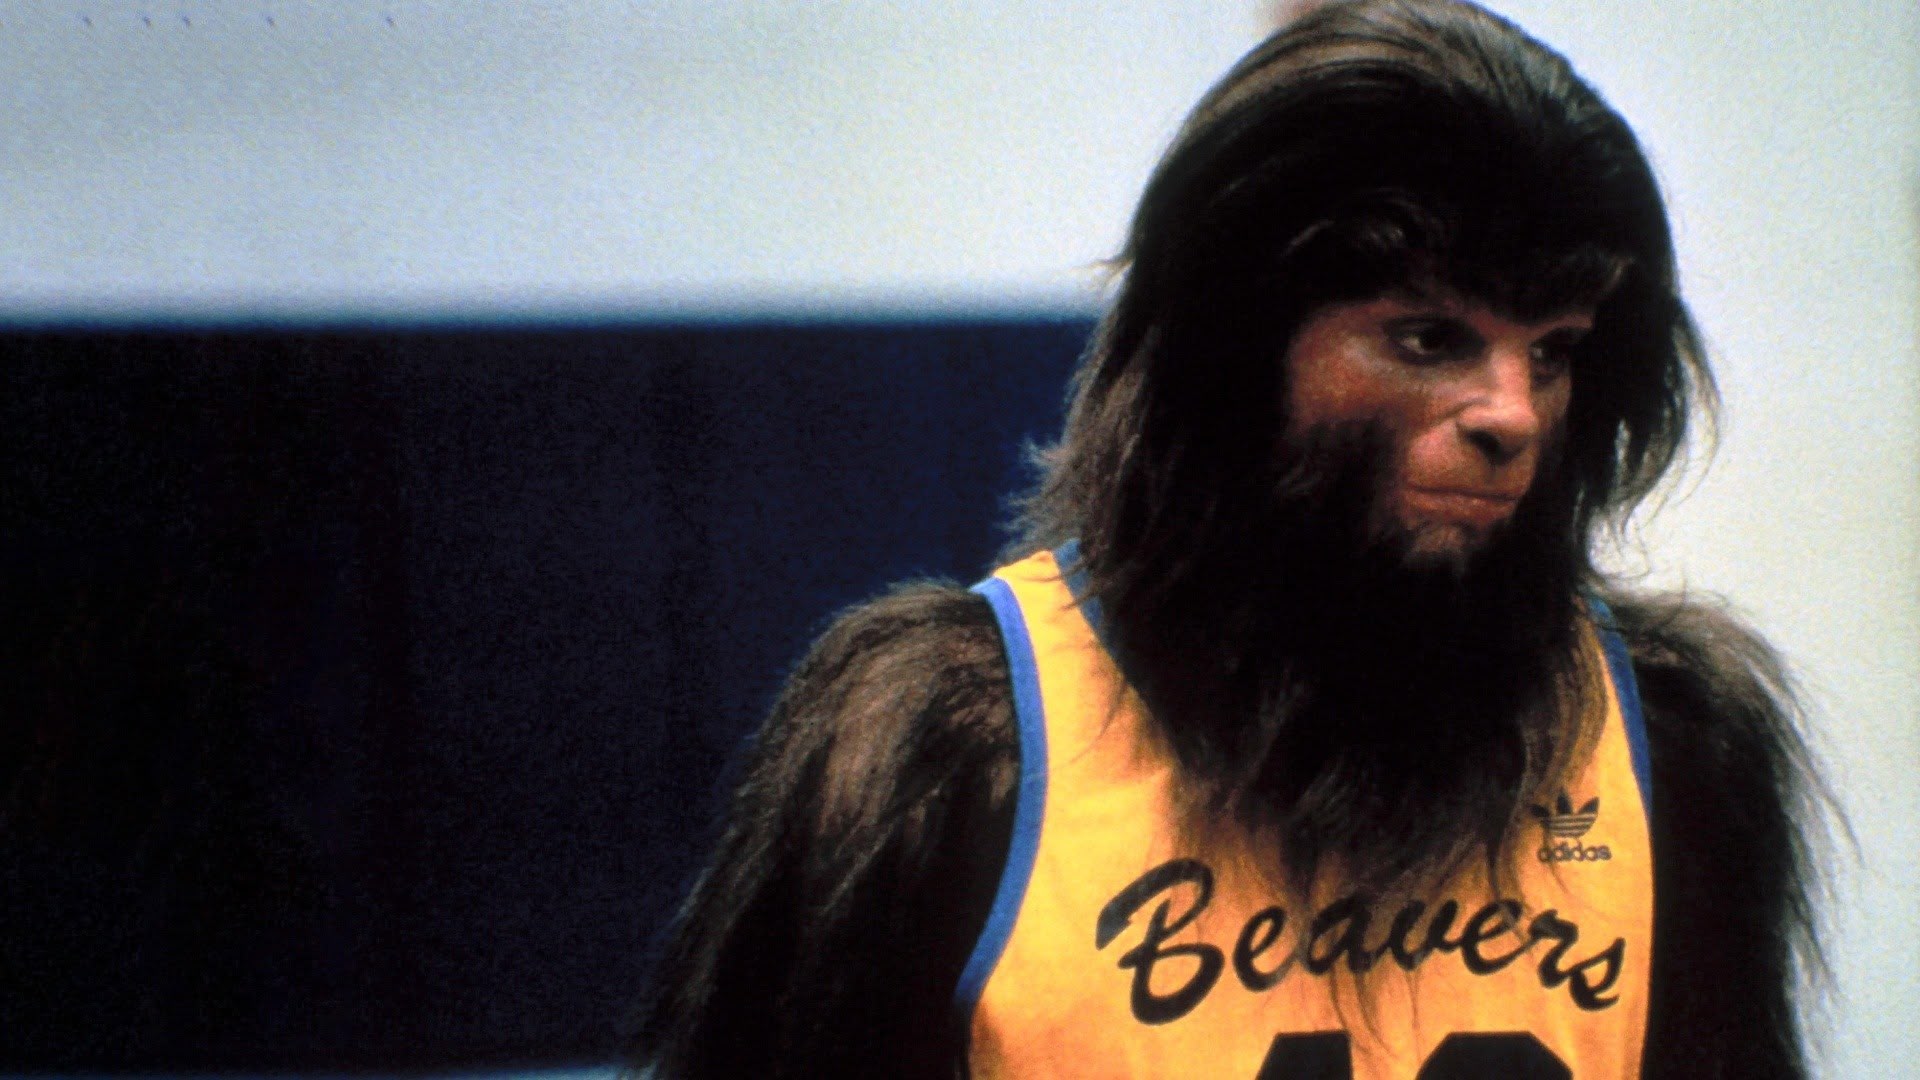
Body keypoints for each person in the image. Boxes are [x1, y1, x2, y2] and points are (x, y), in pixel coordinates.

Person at [631, 1, 1829, 1076]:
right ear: (1234, 357)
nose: (1513, 414)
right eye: (1429, 338)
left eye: (1554, 351)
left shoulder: (1670, 737)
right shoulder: (948, 743)